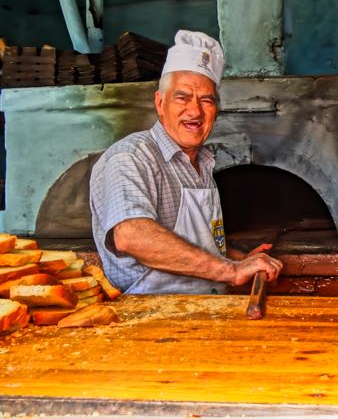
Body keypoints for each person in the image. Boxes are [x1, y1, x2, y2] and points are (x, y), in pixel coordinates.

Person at [90, 30, 283, 294]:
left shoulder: (202, 162)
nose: (195, 111)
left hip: (203, 307)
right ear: (160, 103)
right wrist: (231, 271)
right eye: (182, 97)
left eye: (206, 100)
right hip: (151, 314)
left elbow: (192, 243)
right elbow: (132, 236)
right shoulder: (132, 157)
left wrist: (236, 259)